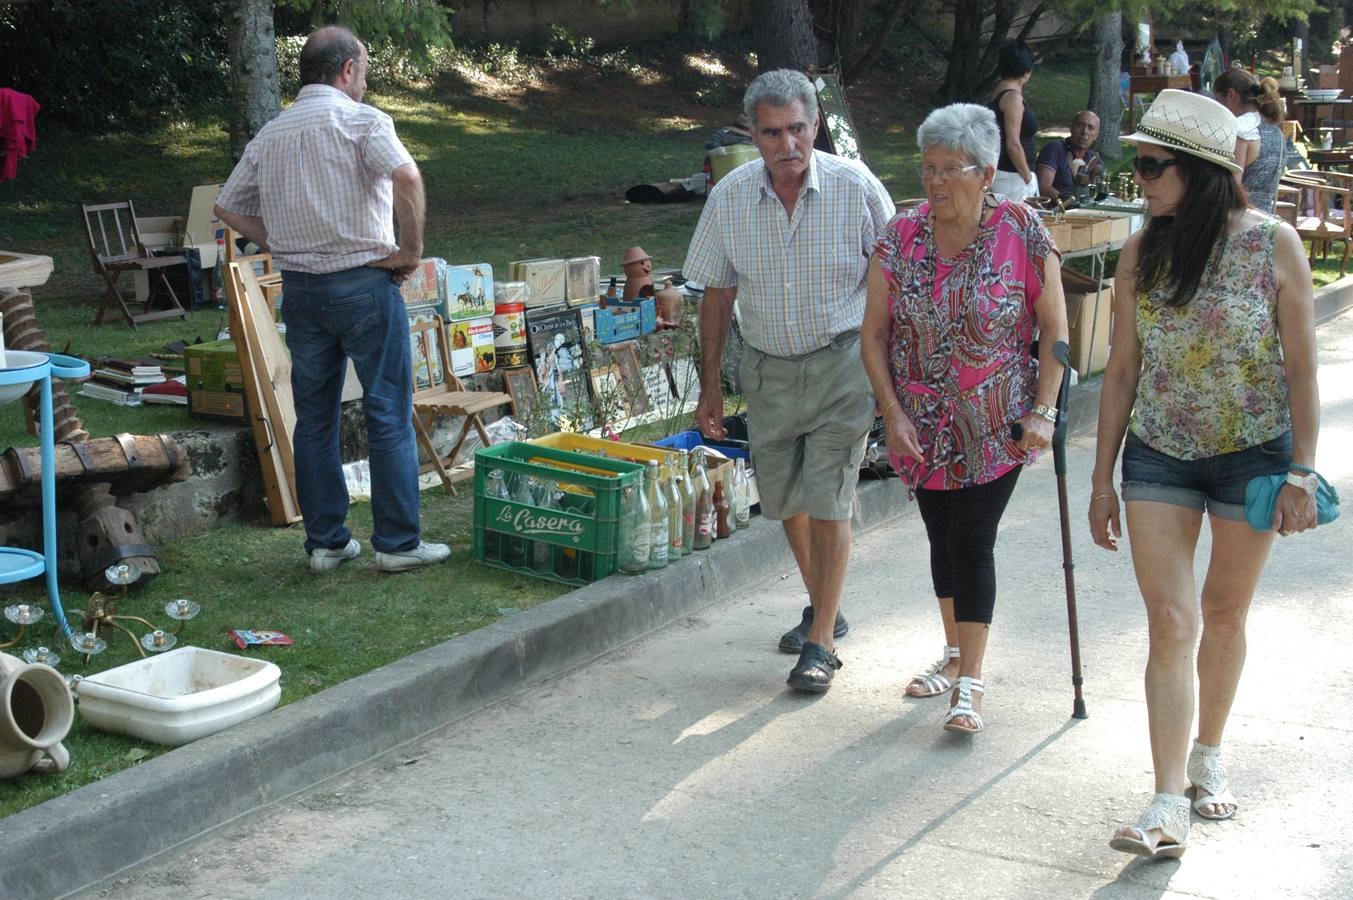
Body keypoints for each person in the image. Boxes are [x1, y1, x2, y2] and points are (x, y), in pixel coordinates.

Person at [1089, 90, 1319, 859]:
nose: (1140, 178)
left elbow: (1300, 372)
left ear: (1200, 171)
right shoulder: (1139, 251)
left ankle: (1207, 754)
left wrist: (1300, 472)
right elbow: (1120, 371)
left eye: (1152, 165)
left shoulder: (1272, 244)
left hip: (1251, 457)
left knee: (1221, 615)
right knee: (1170, 622)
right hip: (1157, 455)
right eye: (1139, 163)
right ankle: (1163, 804)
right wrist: (1099, 480)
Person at [684, 68, 895, 693]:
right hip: (766, 368)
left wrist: (893, 375)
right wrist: (711, 386)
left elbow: (895, 283)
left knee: (828, 495)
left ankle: (821, 642)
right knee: (787, 501)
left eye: (798, 129)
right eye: (772, 132)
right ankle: (823, 606)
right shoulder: (730, 196)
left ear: (815, 125)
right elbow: (716, 295)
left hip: (841, 363)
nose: (788, 145)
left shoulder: (856, 187)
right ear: (754, 133)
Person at [860, 103, 1068, 734]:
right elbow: (873, 335)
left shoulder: (1023, 231)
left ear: (987, 173)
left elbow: (1057, 330)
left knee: (972, 541)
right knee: (940, 540)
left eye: (953, 168)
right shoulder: (900, 236)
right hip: (917, 426)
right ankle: (952, 654)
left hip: (998, 423)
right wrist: (891, 413)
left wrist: (1045, 410)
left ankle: (969, 684)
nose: (937, 181)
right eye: (928, 168)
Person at [214, 26, 450, 574]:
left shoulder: (271, 133)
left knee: (314, 418)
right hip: (365, 284)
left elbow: (227, 205)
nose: (364, 81)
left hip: (303, 291)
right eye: (363, 70)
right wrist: (409, 254)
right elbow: (408, 178)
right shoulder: (362, 121)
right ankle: (397, 543)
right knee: (387, 410)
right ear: (347, 70)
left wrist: (280, 241)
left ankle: (326, 542)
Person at [1212, 67, 1287, 213]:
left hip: (1238, 225)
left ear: (1231, 95)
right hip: (1267, 222)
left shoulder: (1242, 130)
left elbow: (1231, 191)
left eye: (1217, 101)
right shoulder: (1275, 130)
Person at [989, 39, 1039, 201]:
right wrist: (1028, 179)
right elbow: (1013, 144)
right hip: (1014, 178)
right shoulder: (1012, 98)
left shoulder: (998, 90)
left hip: (1008, 175)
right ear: (1027, 71)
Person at [1036, 110, 1103, 201]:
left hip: (1084, 211)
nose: (1084, 131)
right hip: (1055, 210)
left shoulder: (1093, 159)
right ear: (1071, 128)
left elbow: (1099, 192)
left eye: (1090, 128)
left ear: (1096, 135)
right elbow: (1043, 188)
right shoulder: (1054, 149)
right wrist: (1071, 202)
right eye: (1080, 125)